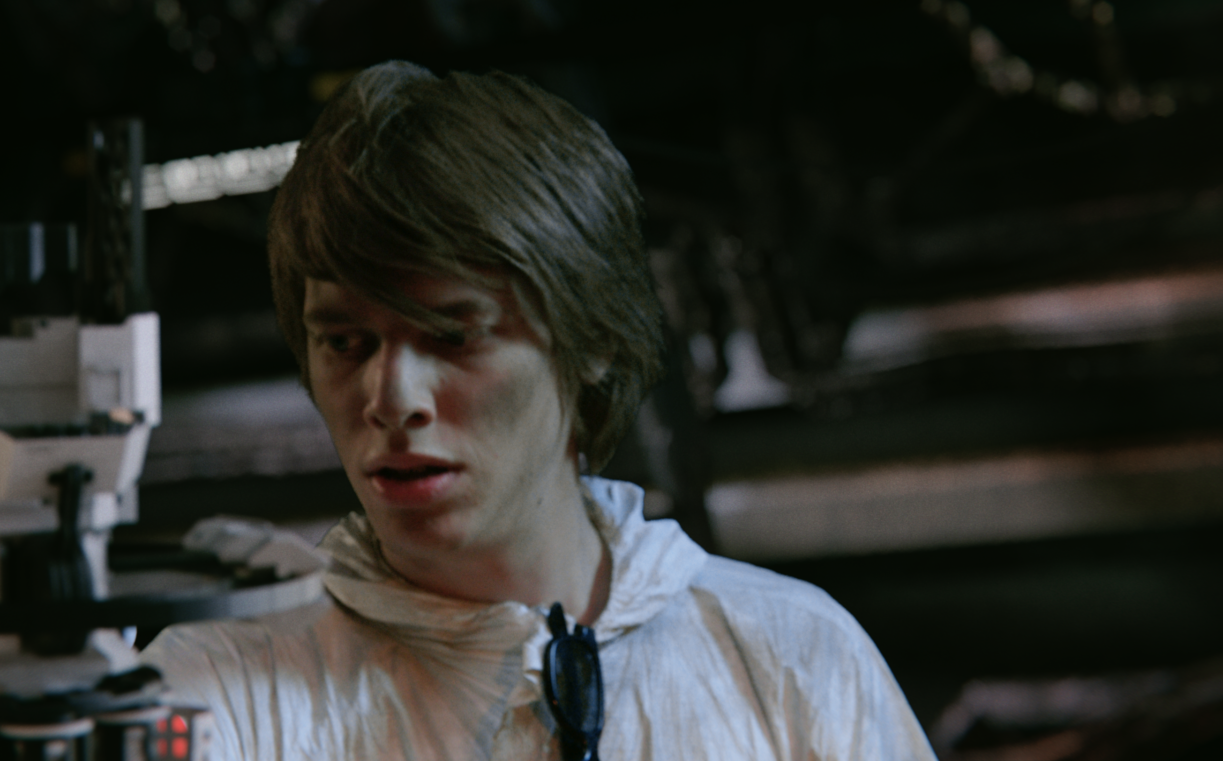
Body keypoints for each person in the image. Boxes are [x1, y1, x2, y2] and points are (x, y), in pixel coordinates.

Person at [139, 60, 935, 760]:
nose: (392, 400)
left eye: (452, 336)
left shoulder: (792, 658)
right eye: (345, 343)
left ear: (590, 340)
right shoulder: (212, 693)